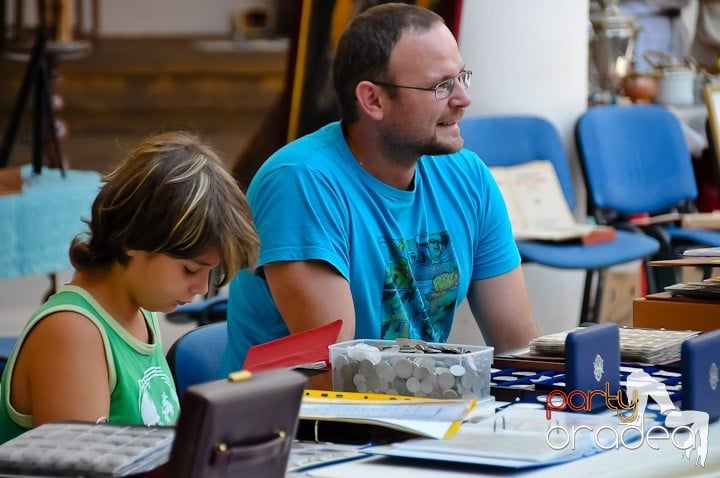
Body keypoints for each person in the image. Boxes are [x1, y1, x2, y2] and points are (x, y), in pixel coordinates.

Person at [220, 2, 539, 377]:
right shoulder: (300, 182)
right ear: (372, 100)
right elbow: (335, 371)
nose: (462, 99)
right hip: (302, 425)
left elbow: (516, 347)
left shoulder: (467, 175)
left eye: (461, 77)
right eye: (440, 86)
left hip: (418, 411)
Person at [0, 131, 259, 444]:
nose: (202, 288)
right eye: (190, 269)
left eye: (210, 272)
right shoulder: (73, 333)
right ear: (135, 238)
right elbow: (83, 467)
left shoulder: (141, 311)